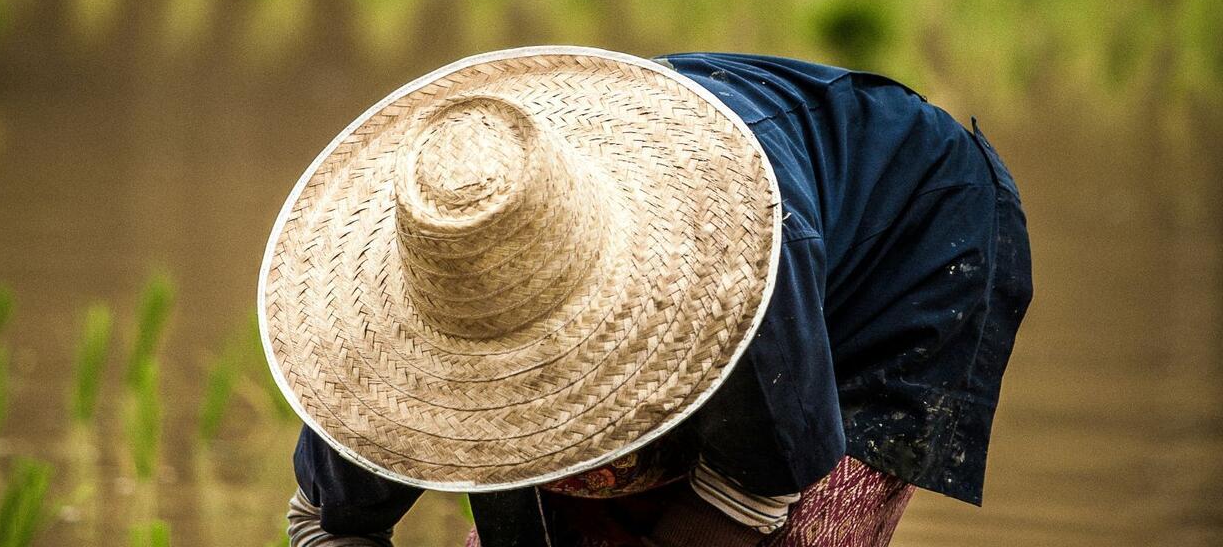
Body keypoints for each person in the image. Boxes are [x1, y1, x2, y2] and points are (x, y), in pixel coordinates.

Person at [258, 48, 1032, 547]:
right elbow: (326, 524)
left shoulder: (732, 274)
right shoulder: (385, 355)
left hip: (903, 244)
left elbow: (753, 494)